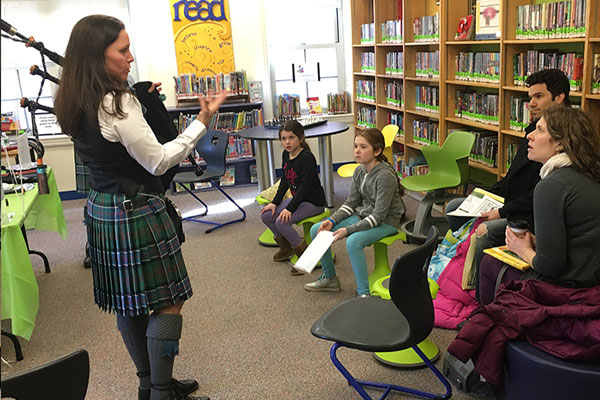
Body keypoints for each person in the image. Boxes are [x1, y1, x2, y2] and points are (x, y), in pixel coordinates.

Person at [53, 15, 227, 400]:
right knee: (168, 301)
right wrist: (201, 120)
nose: (130, 57)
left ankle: (148, 384)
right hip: (135, 210)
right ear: (98, 57)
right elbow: (159, 161)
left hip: (103, 208)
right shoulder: (117, 103)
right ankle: (161, 392)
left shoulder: (72, 98)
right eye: (123, 50)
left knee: (128, 302)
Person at [444, 69, 571, 300]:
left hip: (526, 215)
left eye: (538, 96)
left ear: (559, 97)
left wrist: (500, 212)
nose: (531, 103)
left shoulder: (562, 140)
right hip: (510, 201)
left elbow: (538, 198)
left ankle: (480, 297)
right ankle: (458, 267)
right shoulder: (534, 131)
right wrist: (484, 195)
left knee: (484, 235)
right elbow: (514, 177)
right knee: (456, 207)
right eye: (529, 97)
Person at [478, 106, 600, 305]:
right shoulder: (587, 172)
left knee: (489, 264)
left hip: (569, 290)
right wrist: (536, 242)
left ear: (560, 143)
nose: (530, 136)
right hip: (592, 280)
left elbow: (549, 266)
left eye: (540, 130)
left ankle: (488, 324)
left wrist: (522, 249)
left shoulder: (551, 186)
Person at [304, 128, 404, 297]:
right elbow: (351, 203)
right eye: (356, 146)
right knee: (318, 229)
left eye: (363, 147)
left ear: (377, 151)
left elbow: (379, 216)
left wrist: (348, 230)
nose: (357, 150)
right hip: (364, 215)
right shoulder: (360, 170)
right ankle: (330, 279)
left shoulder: (385, 175)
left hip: (386, 222)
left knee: (353, 241)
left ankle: (363, 293)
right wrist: (333, 221)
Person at [260, 120, 326, 275]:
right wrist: (275, 203)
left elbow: (305, 187)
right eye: (284, 138)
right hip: (298, 200)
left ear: (301, 138)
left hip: (313, 202)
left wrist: (290, 208)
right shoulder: (286, 154)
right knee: (267, 215)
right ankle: (287, 248)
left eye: (291, 137)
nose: (287, 142)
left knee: (281, 222)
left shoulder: (307, 157)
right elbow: (285, 180)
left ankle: (305, 259)